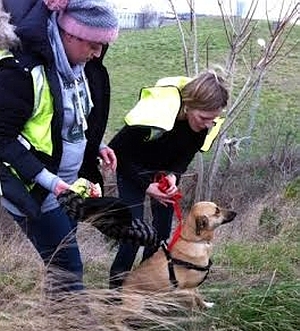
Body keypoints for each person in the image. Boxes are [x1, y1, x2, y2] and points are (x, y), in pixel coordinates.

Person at [0, 0, 118, 296]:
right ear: (69, 33)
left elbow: (68, 119)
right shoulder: (23, 72)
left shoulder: (79, 66)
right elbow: (2, 139)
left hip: (68, 185)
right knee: (68, 268)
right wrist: (52, 183)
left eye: (103, 45)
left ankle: (53, 319)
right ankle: (71, 323)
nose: (98, 53)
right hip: (35, 188)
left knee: (60, 264)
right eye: (93, 44)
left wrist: (95, 146)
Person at [108, 71, 229, 289]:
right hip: (132, 171)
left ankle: (144, 286)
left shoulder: (203, 126)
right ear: (189, 105)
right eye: (204, 118)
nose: (208, 125)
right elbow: (117, 151)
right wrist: (147, 186)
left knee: (161, 234)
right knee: (133, 235)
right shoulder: (156, 115)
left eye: (213, 119)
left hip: (163, 176)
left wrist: (174, 175)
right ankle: (115, 295)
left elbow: (186, 156)